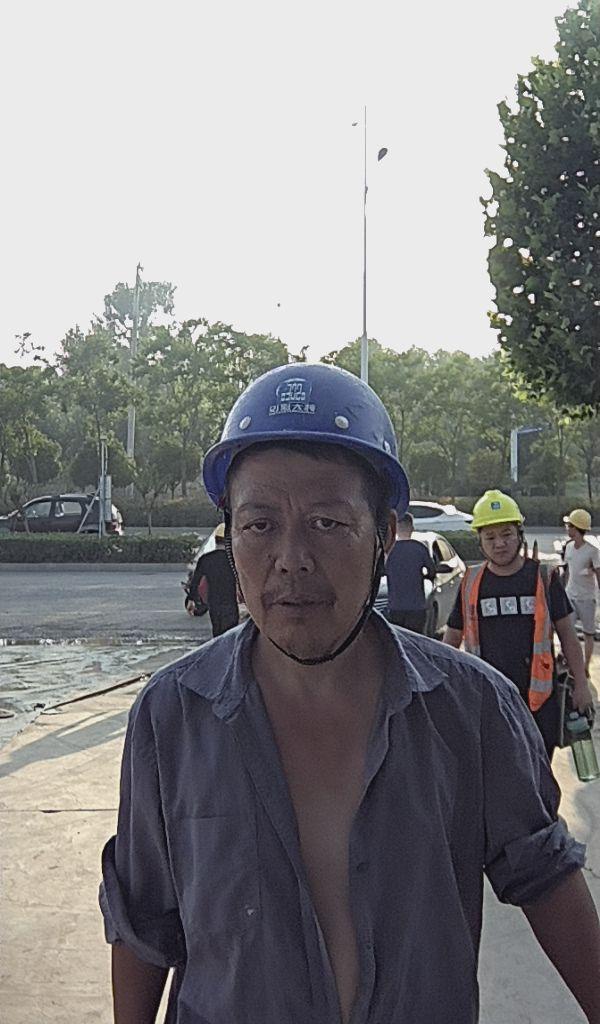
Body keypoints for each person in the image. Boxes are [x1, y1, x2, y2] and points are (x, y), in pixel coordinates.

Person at [100, 367, 600, 1024]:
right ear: (230, 535)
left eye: (327, 522)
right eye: (259, 525)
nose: (291, 558)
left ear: (384, 537)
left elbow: (547, 878)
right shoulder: (172, 717)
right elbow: (144, 924)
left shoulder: (471, 709)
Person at [443, 489, 594, 760]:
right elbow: (451, 640)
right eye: (490, 537)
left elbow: (568, 635)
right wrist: (442, 687)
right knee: (497, 775)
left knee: (538, 774)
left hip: (539, 704)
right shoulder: (471, 583)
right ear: (480, 541)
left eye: (506, 534)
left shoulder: (544, 578)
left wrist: (581, 684)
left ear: (519, 534)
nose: (499, 543)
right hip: (488, 702)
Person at [563, 508, 600, 679]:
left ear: (576, 528)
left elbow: (598, 574)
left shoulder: (593, 551)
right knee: (568, 631)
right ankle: (570, 662)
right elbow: (568, 571)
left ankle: (585, 666)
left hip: (586, 598)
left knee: (588, 633)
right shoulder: (569, 547)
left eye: (569, 526)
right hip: (570, 595)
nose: (567, 529)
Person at [384, 510, 435, 633]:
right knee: (415, 639)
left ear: (395, 529)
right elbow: (432, 571)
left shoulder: (389, 550)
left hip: (395, 606)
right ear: (412, 528)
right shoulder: (419, 548)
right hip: (417, 606)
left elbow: (380, 571)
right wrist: (426, 576)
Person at [184, 523, 239, 637]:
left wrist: (191, 599)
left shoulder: (205, 559)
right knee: (231, 636)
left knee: (217, 635)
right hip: (230, 604)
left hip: (214, 604)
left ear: (215, 540)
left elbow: (195, 582)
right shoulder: (235, 559)